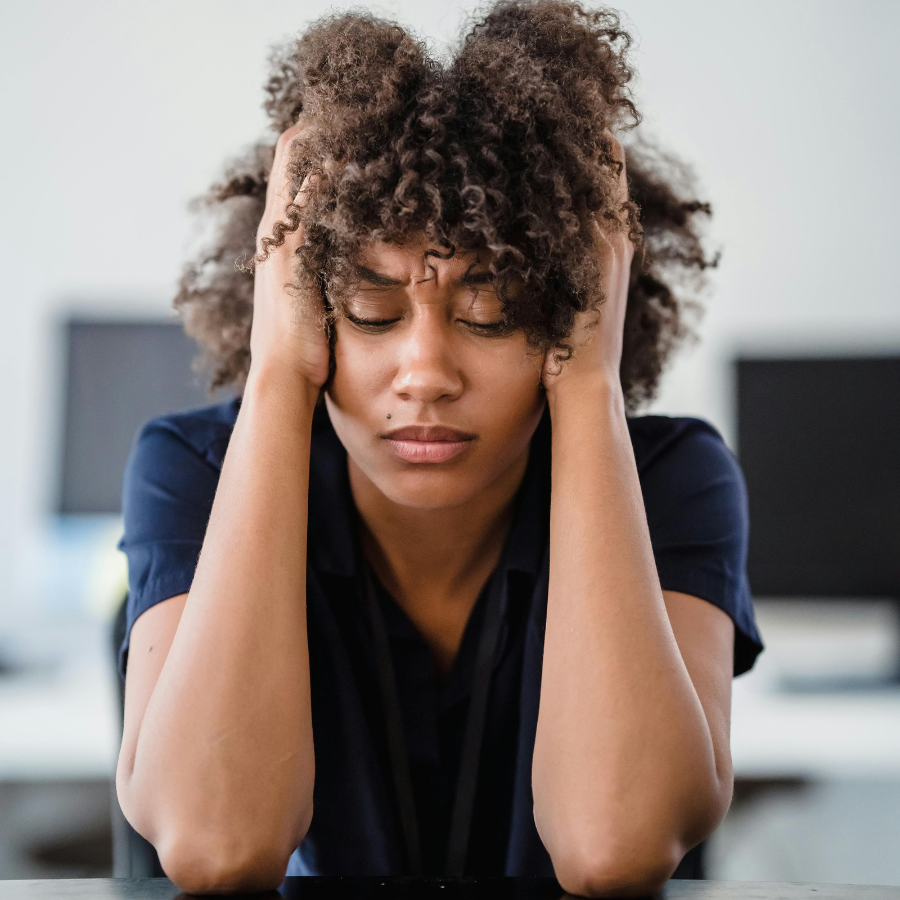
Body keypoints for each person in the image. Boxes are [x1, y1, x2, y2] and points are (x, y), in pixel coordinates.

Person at [114, 1, 763, 895]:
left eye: (491, 313)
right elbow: (218, 846)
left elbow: (615, 845)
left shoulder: (670, 481)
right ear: (305, 309)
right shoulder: (194, 470)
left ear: (570, 313)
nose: (424, 373)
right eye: (370, 310)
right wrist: (277, 375)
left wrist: (588, 384)